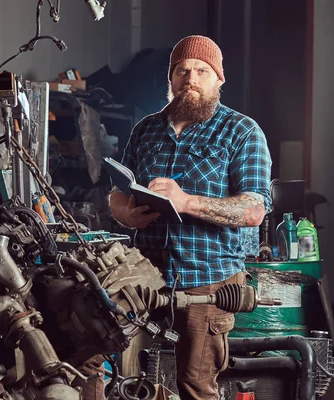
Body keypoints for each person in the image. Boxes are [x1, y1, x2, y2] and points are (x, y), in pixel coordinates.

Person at [108, 35, 272, 399]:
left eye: (201, 70)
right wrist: (124, 212)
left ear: (219, 78)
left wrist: (186, 202)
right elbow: (117, 191)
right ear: (171, 78)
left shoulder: (242, 132)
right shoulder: (146, 129)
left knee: (196, 386)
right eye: (182, 70)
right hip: (145, 273)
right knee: (95, 354)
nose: (191, 78)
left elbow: (253, 209)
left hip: (208, 280)